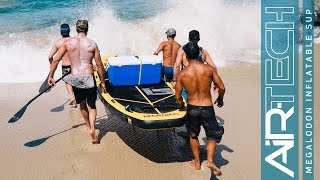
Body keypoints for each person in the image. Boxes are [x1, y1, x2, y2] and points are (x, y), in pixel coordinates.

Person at [48, 20, 106, 144]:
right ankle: (92, 128)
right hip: (89, 77)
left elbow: (55, 60)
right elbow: (99, 65)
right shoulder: (92, 44)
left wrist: (51, 76)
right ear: (87, 29)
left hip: (75, 77)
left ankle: (88, 127)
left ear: (76, 29)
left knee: (82, 104)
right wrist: (103, 82)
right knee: (93, 106)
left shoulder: (68, 43)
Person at [175, 42, 225, 176]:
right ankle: (210, 160)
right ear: (199, 54)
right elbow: (222, 87)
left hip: (192, 108)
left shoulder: (182, 74)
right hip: (207, 107)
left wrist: (181, 106)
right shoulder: (209, 69)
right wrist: (220, 99)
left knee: (193, 134)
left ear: (185, 54)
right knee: (213, 135)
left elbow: (178, 96)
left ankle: (197, 163)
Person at [173, 30, 218, 101]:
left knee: (187, 104)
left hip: (187, 80)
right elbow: (214, 67)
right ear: (199, 39)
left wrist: (175, 80)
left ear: (188, 38)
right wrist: (215, 83)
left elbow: (177, 66)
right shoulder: (203, 51)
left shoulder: (182, 50)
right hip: (201, 81)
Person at [48, 23, 76, 106]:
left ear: (61, 32)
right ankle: (78, 98)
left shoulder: (57, 43)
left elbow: (50, 57)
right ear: (69, 31)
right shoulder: (75, 40)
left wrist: (51, 65)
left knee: (68, 82)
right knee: (76, 81)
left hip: (65, 67)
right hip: (75, 66)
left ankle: (72, 97)